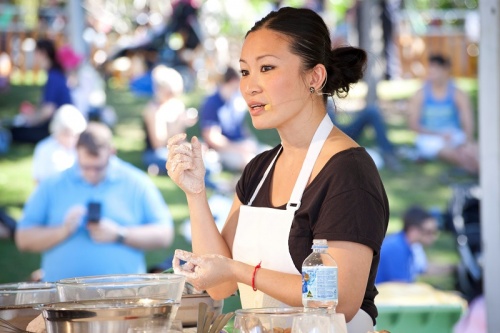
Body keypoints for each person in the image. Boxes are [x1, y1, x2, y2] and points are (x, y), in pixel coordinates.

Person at [168, 7, 389, 332]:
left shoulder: (349, 172)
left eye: (267, 68)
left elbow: (340, 297)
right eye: (244, 72)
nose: (250, 87)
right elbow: (219, 286)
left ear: (314, 77)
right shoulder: (258, 170)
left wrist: (242, 271)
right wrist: (195, 193)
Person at [15, 122, 174, 282]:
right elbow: (23, 239)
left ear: (111, 152)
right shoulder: (52, 185)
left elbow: (165, 234)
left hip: (123, 295)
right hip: (61, 298)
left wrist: (120, 234)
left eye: (98, 167)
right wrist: (62, 231)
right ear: (76, 153)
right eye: (85, 167)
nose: (92, 174)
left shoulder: (137, 182)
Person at [408, 54, 479, 174]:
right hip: (430, 137)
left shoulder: (457, 93)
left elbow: (467, 120)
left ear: (446, 70)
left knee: (475, 150)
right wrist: (439, 134)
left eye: (436, 70)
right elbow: (414, 125)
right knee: (452, 153)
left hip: (454, 134)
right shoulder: (420, 94)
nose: (432, 74)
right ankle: (480, 171)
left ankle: (481, 170)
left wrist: (468, 140)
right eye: (430, 69)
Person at [199, 66, 269, 172]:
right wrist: (238, 148)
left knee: (271, 154)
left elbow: (240, 126)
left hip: (240, 144)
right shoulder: (212, 102)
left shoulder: (236, 99)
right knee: (251, 162)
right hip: (223, 150)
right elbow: (212, 137)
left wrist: (249, 142)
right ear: (234, 81)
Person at [9, 39, 73, 144]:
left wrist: (31, 120)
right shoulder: (53, 73)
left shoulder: (54, 76)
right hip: (57, 122)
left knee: (16, 132)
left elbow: (48, 111)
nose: (34, 56)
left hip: (60, 126)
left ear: (43, 53)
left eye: (35, 52)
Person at [142, 64, 197, 176]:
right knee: (188, 162)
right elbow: (159, 144)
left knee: (197, 156)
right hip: (156, 153)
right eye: (170, 93)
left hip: (173, 150)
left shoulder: (177, 105)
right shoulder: (153, 110)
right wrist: (179, 123)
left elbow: (180, 140)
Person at [376, 206, 439, 284]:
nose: (434, 237)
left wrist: (453, 268)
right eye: (428, 232)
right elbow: (400, 285)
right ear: (412, 230)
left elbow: (424, 268)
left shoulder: (414, 246)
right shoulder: (395, 248)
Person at [32, 104, 87, 184]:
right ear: (58, 132)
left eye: (75, 136)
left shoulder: (82, 147)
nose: (71, 139)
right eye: (67, 134)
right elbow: (38, 179)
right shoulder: (45, 148)